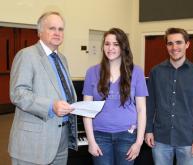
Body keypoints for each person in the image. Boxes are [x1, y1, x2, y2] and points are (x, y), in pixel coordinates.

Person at [8, 11, 78, 165]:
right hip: (34, 144)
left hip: (61, 139)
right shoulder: (26, 55)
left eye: (60, 29)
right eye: (52, 28)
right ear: (39, 32)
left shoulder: (62, 59)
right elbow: (18, 94)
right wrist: (51, 106)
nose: (57, 33)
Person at [145, 27, 193, 165]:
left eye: (179, 42)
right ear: (166, 46)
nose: (174, 47)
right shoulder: (156, 72)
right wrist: (148, 130)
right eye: (170, 43)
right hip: (160, 139)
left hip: (189, 139)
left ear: (187, 44)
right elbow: (149, 105)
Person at [82, 28, 148, 165]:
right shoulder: (92, 72)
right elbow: (86, 111)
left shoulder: (136, 72)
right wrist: (91, 141)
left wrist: (139, 142)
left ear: (123, 47)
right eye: (107, 44)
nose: (110, 48)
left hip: (127, 135)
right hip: (100, 135)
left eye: (116, 44)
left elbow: (141, 109)